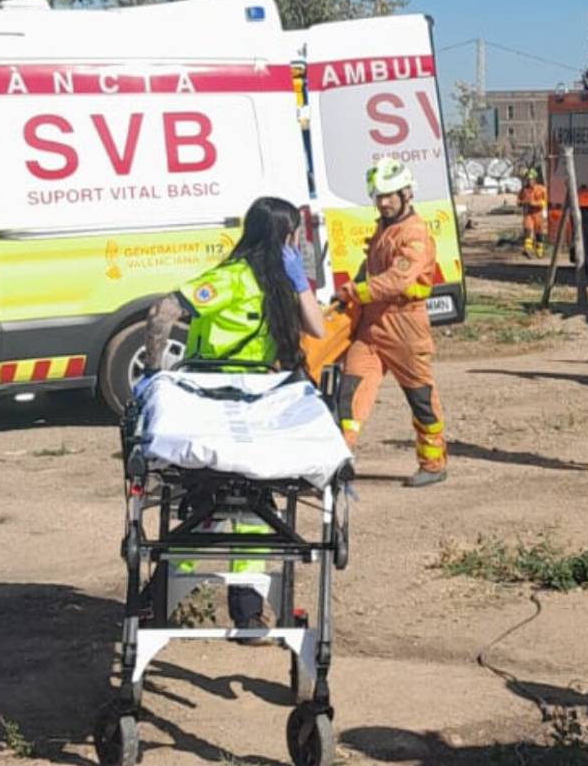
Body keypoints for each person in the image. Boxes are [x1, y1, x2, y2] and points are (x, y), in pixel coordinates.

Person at [143, 196, 326, 633]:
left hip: (226, 409)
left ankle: (170, 600)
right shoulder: (244, 281)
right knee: (250, 507)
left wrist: (152, 373)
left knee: (222, 509)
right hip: (243, 411)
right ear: (283, 236)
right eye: (293, 235)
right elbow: (164, 311)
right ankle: (237, 610)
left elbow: (162, 312)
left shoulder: (259, 283)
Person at [336, 157, 448, 488]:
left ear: (406, 193)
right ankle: (337, 458)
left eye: (389, 195)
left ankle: (433, 463)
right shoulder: (384, 228)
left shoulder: (413, 234)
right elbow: (371, 267)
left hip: (404, 327)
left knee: (420, 398)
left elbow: (397, 280)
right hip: (371, 328)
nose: (383, 202)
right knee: (349, 394)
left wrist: (356, 291)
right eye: (378, 196)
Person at [518, 168, 548, 259]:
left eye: (530, 179)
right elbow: (518, 201)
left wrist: (535, 203)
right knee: (528, 230)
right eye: (527, 180)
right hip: (528, 214)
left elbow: (546, 202)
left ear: (535, 179)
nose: (529, 181)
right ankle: (527, 249)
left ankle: (539, 252)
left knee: (539, 233)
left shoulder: (541, 189)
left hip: (538, 214)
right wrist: (523, 203)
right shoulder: (524, 190)